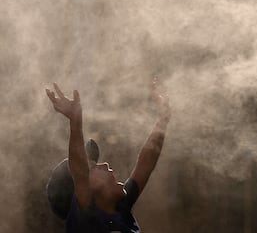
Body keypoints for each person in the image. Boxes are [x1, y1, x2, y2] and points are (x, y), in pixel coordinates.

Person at [45, 78, 171, 232]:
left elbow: (146, 163)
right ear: (80, 190)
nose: (104, 165)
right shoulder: (85, 221)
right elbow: (79, 173)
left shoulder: (120, 208)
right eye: (92, 167)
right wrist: (75, 121)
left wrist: (163, 120)